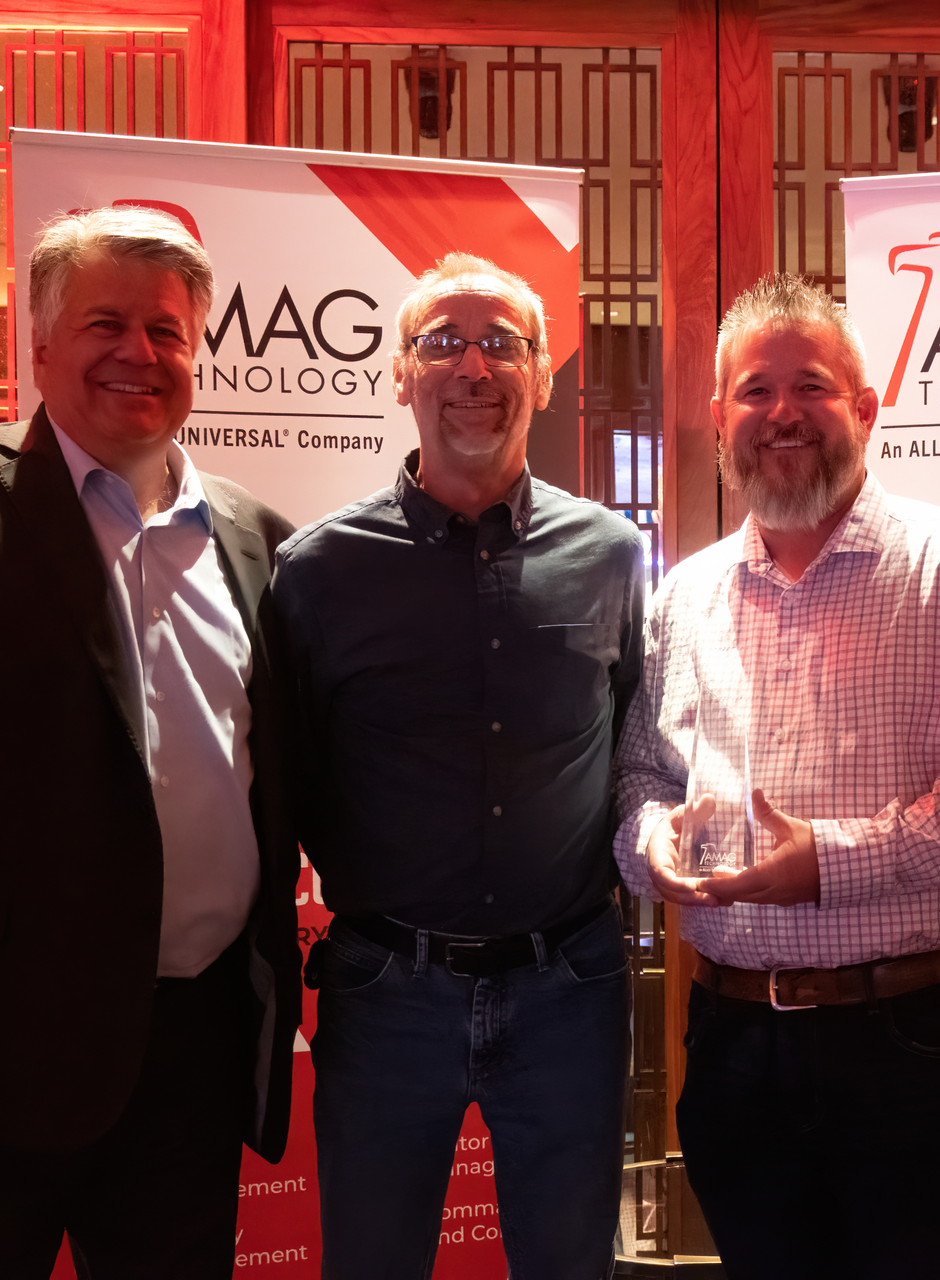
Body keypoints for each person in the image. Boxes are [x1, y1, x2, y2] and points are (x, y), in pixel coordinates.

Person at [0, 205, 300, 1277]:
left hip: (191, 1059)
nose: (139, 352)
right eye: (105, 323)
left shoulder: (258, 537)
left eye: (168, 331)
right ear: (39, 344)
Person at [612, 273, 940, 1279]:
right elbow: (642, 775)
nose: (781, 413)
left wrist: (834, 861)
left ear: (867, 408)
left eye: (811, 387)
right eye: (754, 391)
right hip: (737, 1035)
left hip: (920, 1039)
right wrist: (648, 843)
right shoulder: (687, 595)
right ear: (718, 418)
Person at [269, 250, 644, 1279]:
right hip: (386, 987)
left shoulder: (612, 553)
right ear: (398, 373)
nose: (473, 367)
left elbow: (633, 742)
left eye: (501, 344)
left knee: (571, 1265)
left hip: (568, 982)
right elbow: (287, 775)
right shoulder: (317, 570)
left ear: (544, 373)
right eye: (442, 342)